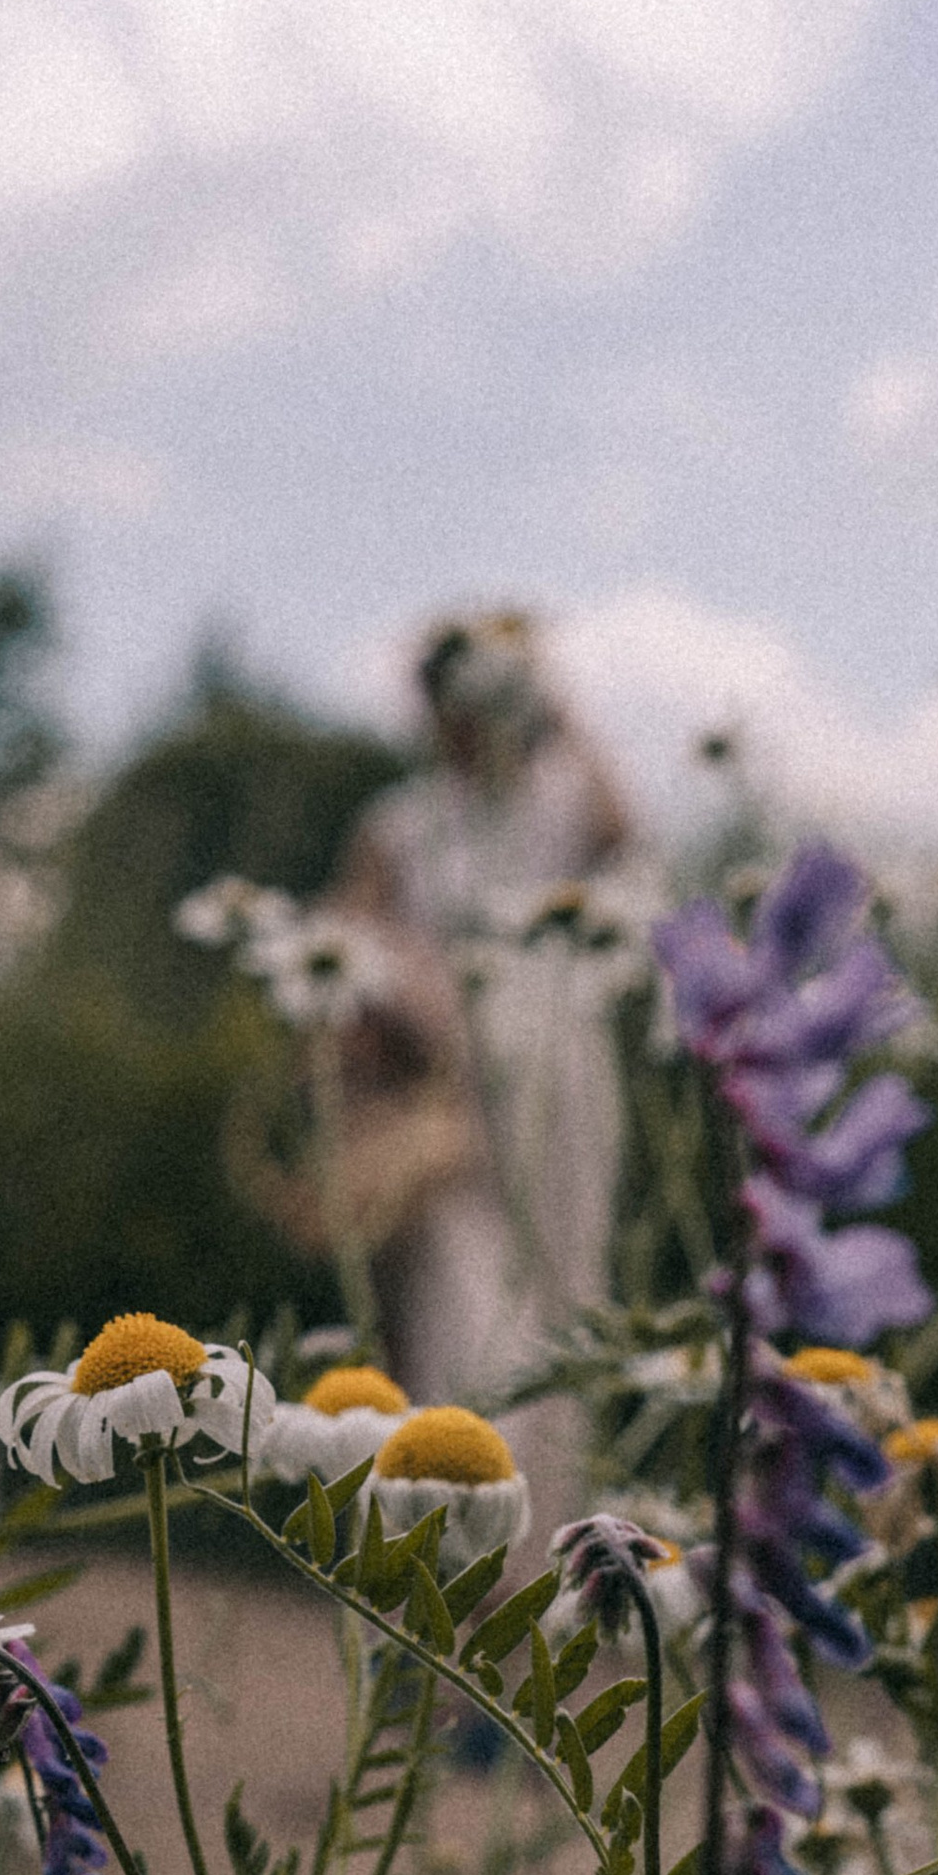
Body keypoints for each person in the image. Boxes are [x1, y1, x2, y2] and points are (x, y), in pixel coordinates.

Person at [335, 607, 641, 1440]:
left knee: (566, 1292)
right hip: (447, 1086)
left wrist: (552, 691)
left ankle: (551, 1531)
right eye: (449, 702)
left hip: (562, 1074)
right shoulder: (401, 822)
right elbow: (346, 942)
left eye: (485, 697)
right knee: (457, 1288)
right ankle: (460, 1513)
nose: (465, 722)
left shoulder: (559, 801)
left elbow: (624, 839)